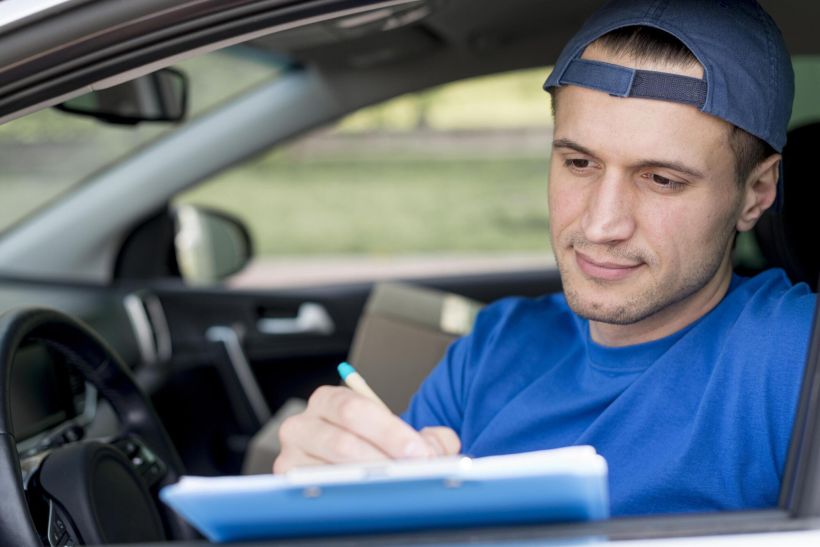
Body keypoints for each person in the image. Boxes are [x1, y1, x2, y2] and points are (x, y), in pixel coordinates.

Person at [274, 0, 817, 516]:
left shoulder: (793, 355)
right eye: (579, 163)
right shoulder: (493, 347)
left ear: (756, 193)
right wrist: (327, 498)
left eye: (661, 179)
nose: (601, 225)